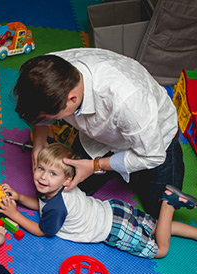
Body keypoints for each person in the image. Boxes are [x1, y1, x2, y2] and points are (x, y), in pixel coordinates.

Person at [13, 48, 184, 217]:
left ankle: (149, 164)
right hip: (99, 135)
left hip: (153, 141)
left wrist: (96, 166)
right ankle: (121, 167)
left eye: (49, 116)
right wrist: (39, 142)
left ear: (71, 99)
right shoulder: (47, 70)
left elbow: (153, 156)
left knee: (157, 211)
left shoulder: (128, 102)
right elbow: (40, 111)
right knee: (59, 193)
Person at [0, 143, 197, 259]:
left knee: (160, 250)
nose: (42, 177)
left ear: (67, 180)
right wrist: (20, 197)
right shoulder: (56, 191)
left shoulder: (56, 206)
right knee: (155, 227)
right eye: (40, 169)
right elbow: (41, 204)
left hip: (115, 229)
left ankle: (168, 204)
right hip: (113, 209)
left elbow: (44, 230)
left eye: (52, 173)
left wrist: (14, 214)